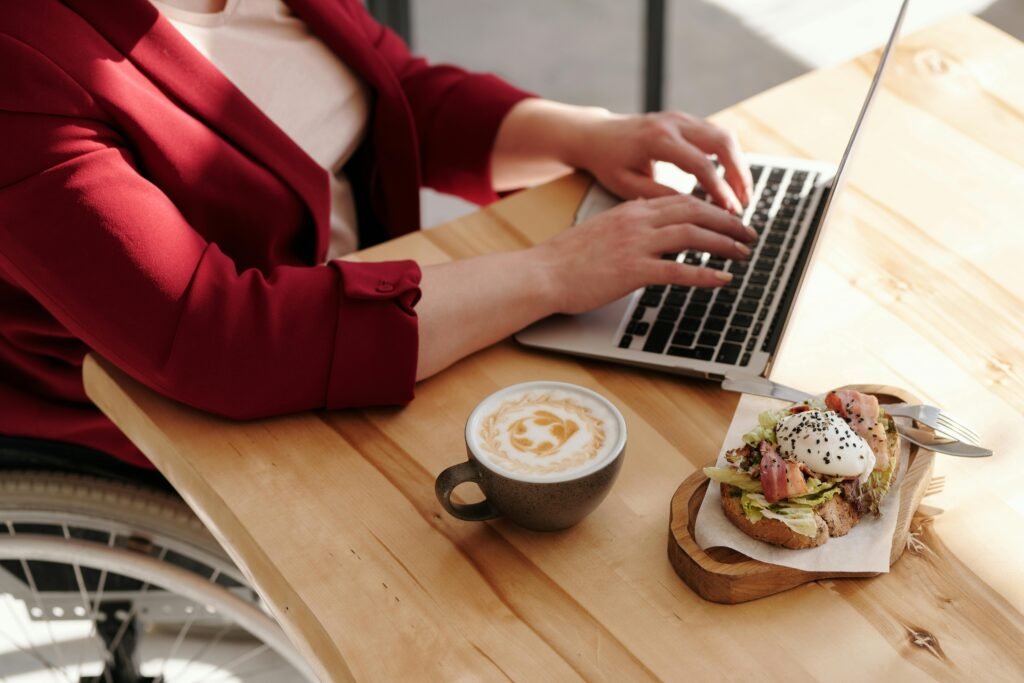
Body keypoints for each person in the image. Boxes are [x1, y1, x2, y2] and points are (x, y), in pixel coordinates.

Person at [0, 0, 755, 468]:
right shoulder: (22, 58)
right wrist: (553, 273)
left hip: (367, 328)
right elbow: (216, 337)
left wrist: (586, 134)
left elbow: (391, 93)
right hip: (194, 415)